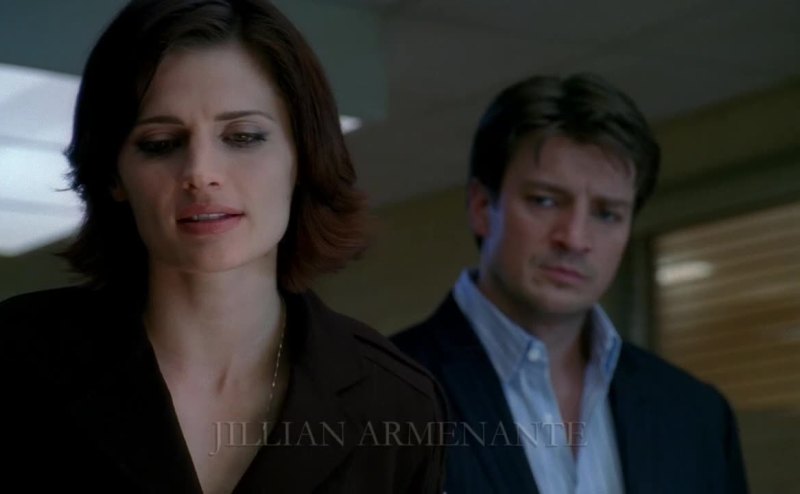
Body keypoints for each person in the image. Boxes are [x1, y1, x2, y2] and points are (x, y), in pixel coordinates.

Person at [0, 0, 444, 492]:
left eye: (244, 136)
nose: (201, 173)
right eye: (160, 143)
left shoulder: (395, 403)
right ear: (114, 175)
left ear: (302, 156)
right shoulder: (16, 361)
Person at [392, 74, 748, 493]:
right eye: (545, 200)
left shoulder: (697, 415)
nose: (575, 239)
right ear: (482, 207)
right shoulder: (373, 394)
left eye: (606, 213)